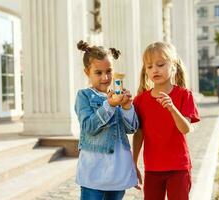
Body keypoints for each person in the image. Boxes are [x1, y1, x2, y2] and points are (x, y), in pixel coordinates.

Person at [132, 42, 200, 200]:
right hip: (152, 169)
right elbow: (139, 134)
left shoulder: (185, 95)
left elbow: (186, 129)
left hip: (178, 168)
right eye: (149, 66)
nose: (154, 69)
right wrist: (133, 163)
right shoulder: (140, 101)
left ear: (173, 66)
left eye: (160, 64)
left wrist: (172, 108)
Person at [75, 40, 139, 200]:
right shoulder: (84, 96)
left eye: (109, 71)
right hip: (94, 174)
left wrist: (127, 107)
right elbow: (88, 127)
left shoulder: (117, 95)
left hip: (118, 172)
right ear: (87, 72)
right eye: (98, 72)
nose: (105, 77)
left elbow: (132, 128)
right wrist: (109, 106)